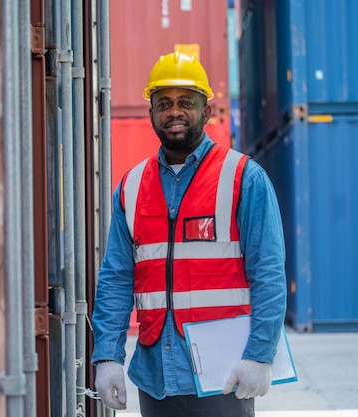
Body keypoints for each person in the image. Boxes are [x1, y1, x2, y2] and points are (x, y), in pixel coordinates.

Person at [91, 51, 287, 417]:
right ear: (151, 112)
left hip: (223, 375)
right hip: (155, 378)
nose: (174, 112)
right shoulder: (131, 187)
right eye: (163, 103)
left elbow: (269, 274)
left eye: (186, 102)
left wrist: (260, 355)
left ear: (206, 111)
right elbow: (116, 279)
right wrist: (107, 356)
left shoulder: (244, 178)